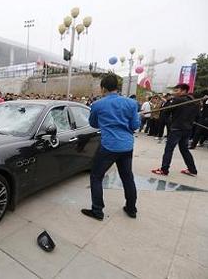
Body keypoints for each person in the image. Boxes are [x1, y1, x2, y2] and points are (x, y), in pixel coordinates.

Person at [81, 74, 140, 221]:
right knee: (127, 177)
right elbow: (135, 126)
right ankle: (131, 209)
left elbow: (93, 124)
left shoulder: (97, 105)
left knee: (96, 176)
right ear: (117, 87)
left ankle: (97, 211)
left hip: (109, 146)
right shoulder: (131, 103)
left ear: (103, 88)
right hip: (127, 146)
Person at [152, 84, 199, 176]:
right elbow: (197, 116)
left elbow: (166, 111)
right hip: (188, 129)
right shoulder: (195, 101)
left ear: (184, 91)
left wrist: (171, 122)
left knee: (169, 149)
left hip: (177, 128)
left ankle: (164, 170)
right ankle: (192, 169)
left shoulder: (178, 100)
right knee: (184, 149)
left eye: (177, 90)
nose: (174, 93)